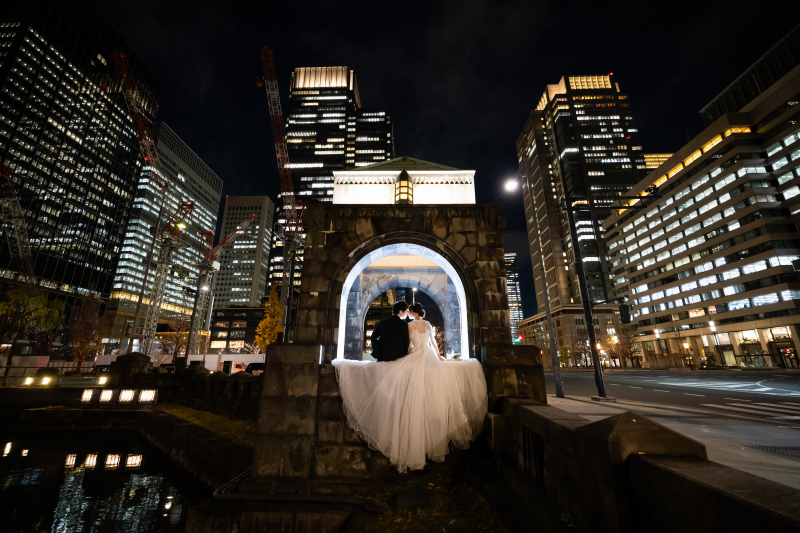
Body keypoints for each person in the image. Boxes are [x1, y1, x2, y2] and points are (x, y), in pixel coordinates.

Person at [332, 302, 487, 473]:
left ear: (413, 312)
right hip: (429, 356)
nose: (408, 313)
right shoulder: (427, 324)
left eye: (410, 311)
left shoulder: (410, 326)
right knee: (435, 389)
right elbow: (433, 342)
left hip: (415, 356)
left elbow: (409, 345)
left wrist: (404, 353)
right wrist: (438, 356)